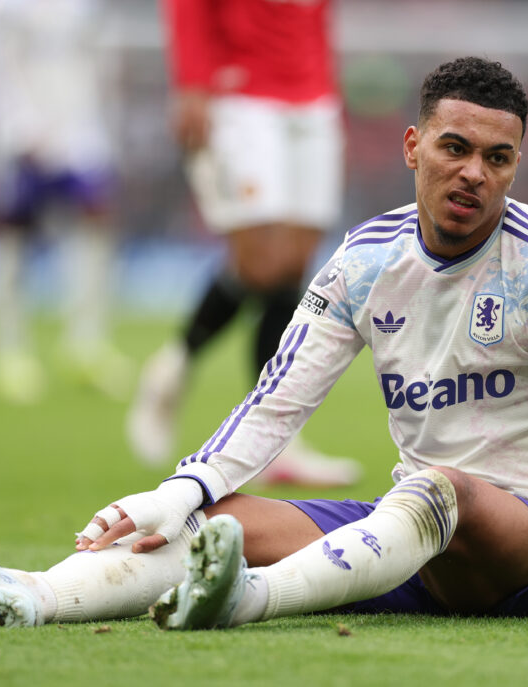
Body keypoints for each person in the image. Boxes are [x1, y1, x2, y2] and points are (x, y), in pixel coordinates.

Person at [0, 57, 528, 629]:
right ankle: (26, 594)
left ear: (516, 165)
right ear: (413, 145)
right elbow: (276, 400)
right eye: (456, 148)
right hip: (408, 540)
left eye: (497, 159)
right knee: (220, 525)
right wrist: (181, 491)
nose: (474, 175)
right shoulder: (364, 261)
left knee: (440, 488)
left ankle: (247, 600)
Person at [125, 0, 360, 486]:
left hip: (312, 97)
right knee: (262, 261)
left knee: (295, 267)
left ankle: (277, 446)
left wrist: (325, 83)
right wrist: (192, 84)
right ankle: (175, 367)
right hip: (241, 94)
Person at [0, 0, 132, 404]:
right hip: (23, 133)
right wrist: (18, 128)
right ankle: (10, 350)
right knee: (13, 231)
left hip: (78, 128)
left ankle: (85, 343)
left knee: (95, 221)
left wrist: (102, 125)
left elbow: (92, 57)